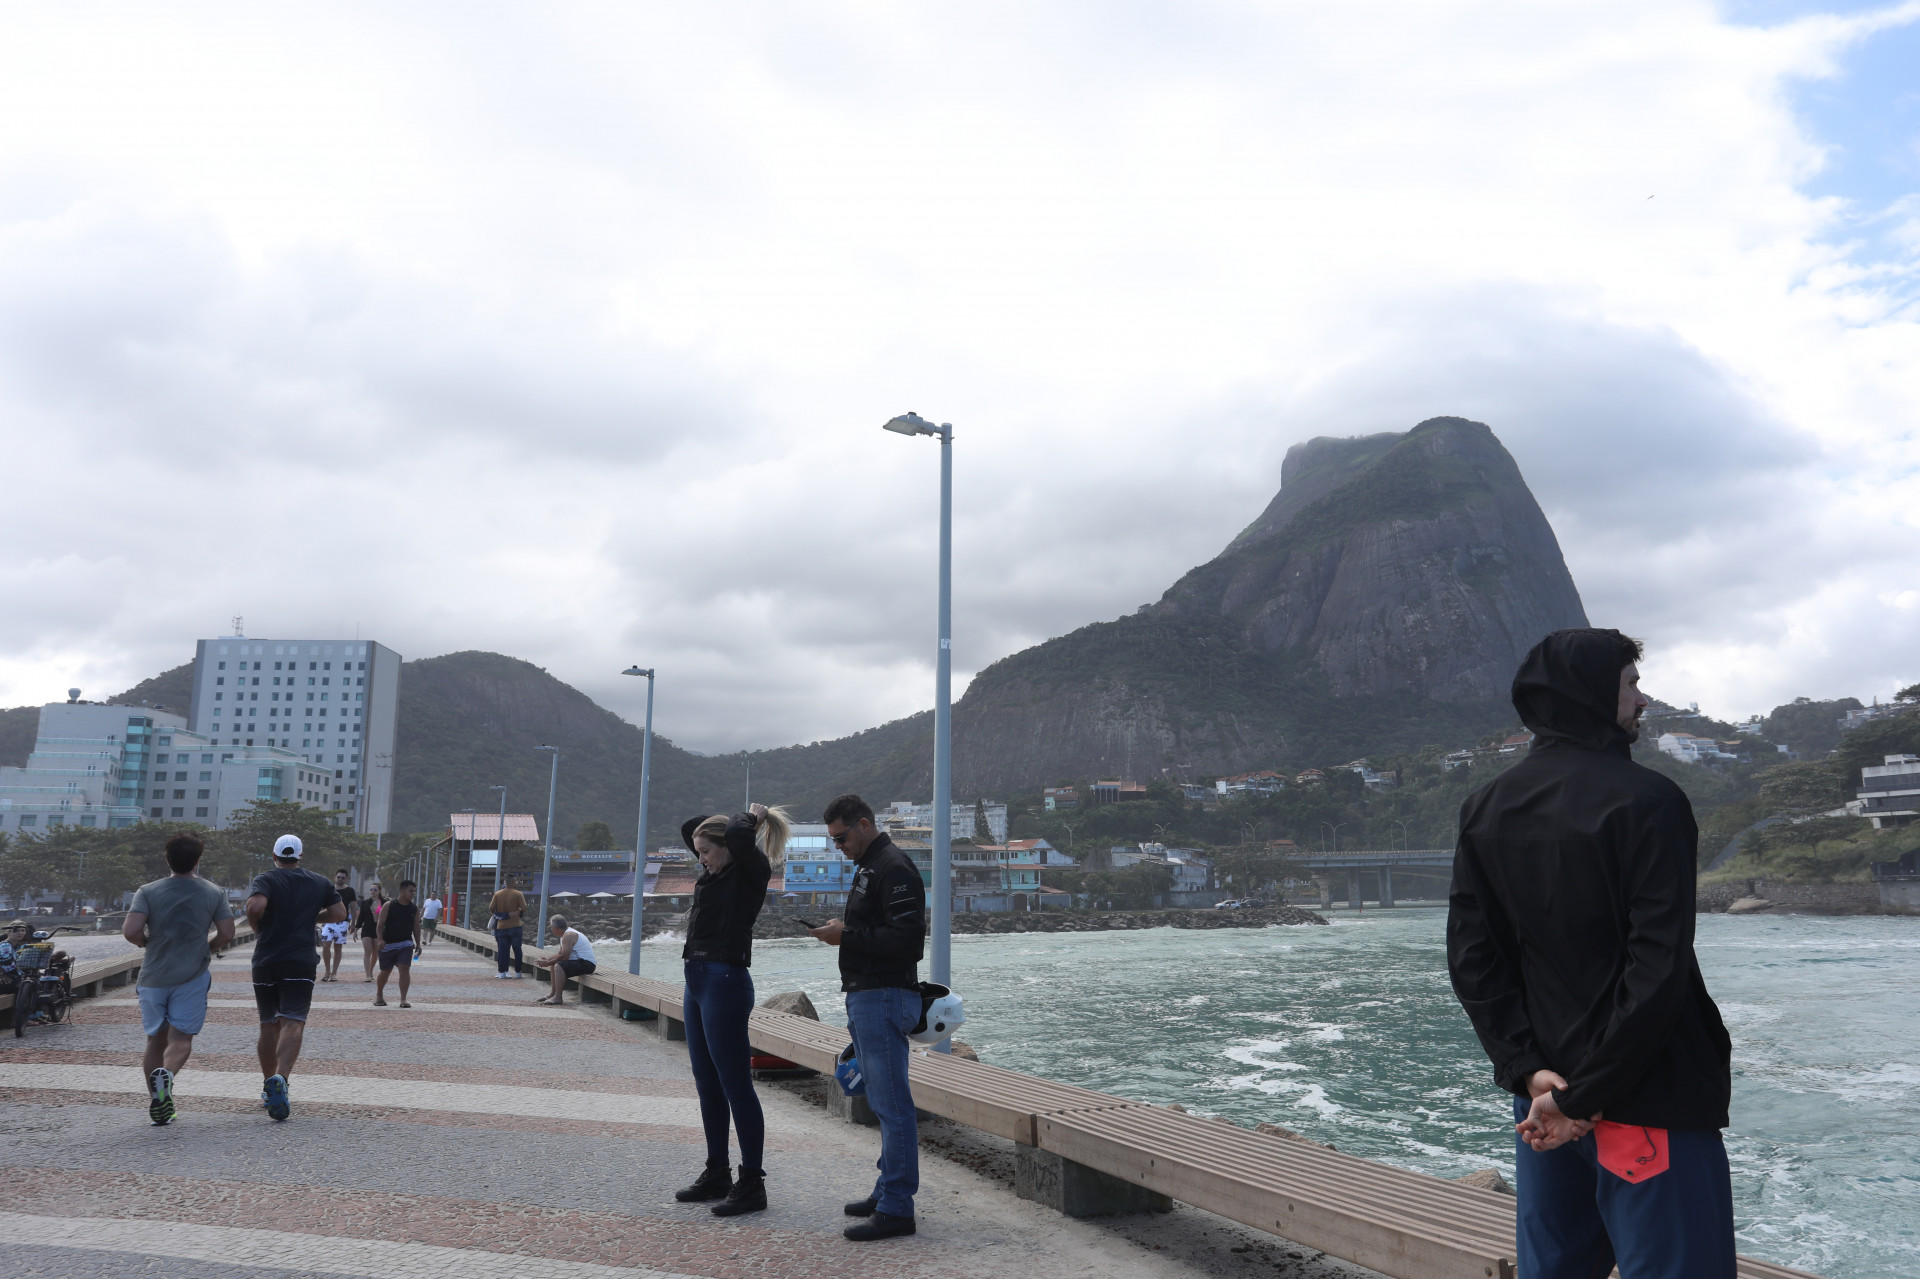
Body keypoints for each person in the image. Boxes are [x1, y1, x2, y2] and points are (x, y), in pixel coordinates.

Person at [1448, 629, 1736, 1278]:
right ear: (1590, 693)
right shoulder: (1650, 802)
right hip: (1644, 1098)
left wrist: (1528, 1070)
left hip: (1543, 1102)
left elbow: (1473, 958)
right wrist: (1591, 1094)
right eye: (1630, 683)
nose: (1642, 698)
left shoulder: (1485, 808)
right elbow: (1655, 968)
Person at [808, 793, 926, 1241]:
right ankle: (886, 1191)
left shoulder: (893, 867)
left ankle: (898, 1209)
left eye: (841, 838)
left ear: (863, 823)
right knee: (882, 1103)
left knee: (894, 1107)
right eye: (833, 841)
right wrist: (846, 933)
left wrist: (847, 935)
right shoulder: (871, 866)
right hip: (867, 995)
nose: (839, 847)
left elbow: (908, 940)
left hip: (883, 995)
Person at [669, 803, 790, 1218]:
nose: (699, 857)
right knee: (707, 1081)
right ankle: (717, 1171)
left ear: (730, 846)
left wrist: (751, 816)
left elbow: (738, 837)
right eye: (698, 852)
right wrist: (711, 835)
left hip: (725, 980)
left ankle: (752, 1183)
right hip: (697, 979)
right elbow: (691, 828)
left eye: (705, 850)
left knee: (736, 1083)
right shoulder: (716, 871)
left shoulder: (749, 872)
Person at [122, 832, 236, 1125]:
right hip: (192, 975)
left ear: (167, 859)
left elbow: (130, 931)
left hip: (153, 976)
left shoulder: (147, 891)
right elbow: (226, 934)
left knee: (154, 1041)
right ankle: (168, 1077)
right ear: (197, 860)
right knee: (181, 1039)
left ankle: (159, 1103)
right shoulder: (214, 892)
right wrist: (206, 948)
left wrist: (145, 942)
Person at [246, 834, 347, 1121]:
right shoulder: (319, 882)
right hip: (300, 961)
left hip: (266, 959)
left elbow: (255, 907)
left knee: (268, 1024)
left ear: (275, 856)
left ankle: (269, 1087)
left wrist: (258, 927)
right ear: (300, 855)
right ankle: (282, 1079)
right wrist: (311, 918)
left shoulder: (266, 879)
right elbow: (340, 913)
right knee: (293, 1021)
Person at [373, 880, 424, 1008]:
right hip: (388, 944)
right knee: (385, 971)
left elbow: (416, 927)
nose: (413, 893)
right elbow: (380, 924)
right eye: (410, 890)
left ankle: (403, 999)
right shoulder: (389, 905)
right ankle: (379, 995)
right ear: (402, 890)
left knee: (404, 968)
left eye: (414, 891)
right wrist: (380, 940)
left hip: (405, 944)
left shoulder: (414, 908)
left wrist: (418, 944)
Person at [532, 913, 598, 1006]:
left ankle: (558, 997)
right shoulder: (564, 935)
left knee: (558, 966)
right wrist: (547, 960)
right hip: (581, 962)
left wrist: (548, 962)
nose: (551, 929)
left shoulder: (568, 935)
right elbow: (560, 953)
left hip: (587, 964)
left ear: (557, 928)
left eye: (551, 927)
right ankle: (553, 994)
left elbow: (564, 956)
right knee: (554, 964)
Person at [320, 869, 356, 982]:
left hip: (342, 922)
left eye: (342, 877)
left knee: (338, 947)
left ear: (346, 879)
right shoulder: (329, 889)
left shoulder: (350, 891)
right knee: (326, 945)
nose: (340, 879)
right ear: (335, 877)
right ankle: (327, 971)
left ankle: (334, 973)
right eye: (338, 877)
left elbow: (354, 908)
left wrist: (353, 923)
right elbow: (321, 904)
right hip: (328, 921)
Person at [489, 882, 527, 979]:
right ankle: (518, 972)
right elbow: (524, 908)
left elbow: (491, 908)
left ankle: (502, 972)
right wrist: (517, 913)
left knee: (502, 949)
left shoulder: (498, 894)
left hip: (501, 926)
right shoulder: (518, 894)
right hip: (515, 925)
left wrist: (502, 915)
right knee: (517, 949)